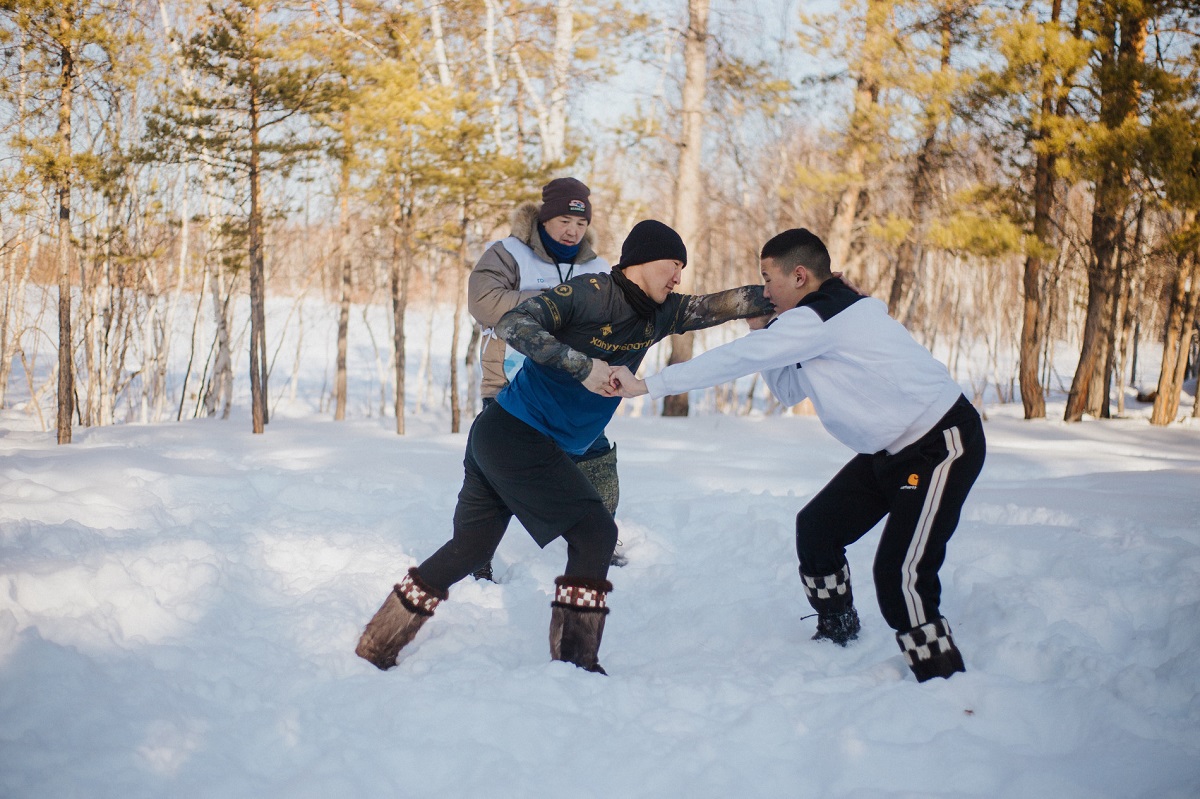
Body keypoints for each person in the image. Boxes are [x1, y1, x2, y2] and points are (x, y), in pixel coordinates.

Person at [356, 220, 773, 675]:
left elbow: (718, 305)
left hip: (507, 438)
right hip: (515, 434)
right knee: (595, 533)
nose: (678, 277)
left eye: (682, 269)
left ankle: (378, 643)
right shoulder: (591, 292)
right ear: (641, 261)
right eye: (673, 265)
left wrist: (794, 295)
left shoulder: (662, 313)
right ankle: (575, 667)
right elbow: (514, 321)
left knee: (471, 549)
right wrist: (581, 366)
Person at [611, 228, 986, 683]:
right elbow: (788, 390)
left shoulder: (818, 318)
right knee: (817, 529)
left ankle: (943, 678)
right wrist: (763, 333)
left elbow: (734, 360)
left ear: (801, 275)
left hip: (939, 443)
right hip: (889, 450)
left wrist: (649, 384)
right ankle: (839, 633)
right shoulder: (819, 318)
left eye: (768, 278)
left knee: (900, 574)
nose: (764, 291)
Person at [467, 177, 622, 582]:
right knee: (492, 475)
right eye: (563, 221)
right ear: (544, 218)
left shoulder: (596, 268)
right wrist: (562, 302)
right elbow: (484, 303)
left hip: (572, 388)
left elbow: (613, 317)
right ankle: (474, 556)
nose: (572, 230)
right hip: (509, 385)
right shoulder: (508, 253)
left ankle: (601, 541)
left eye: (580, 223)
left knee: (597, 460)